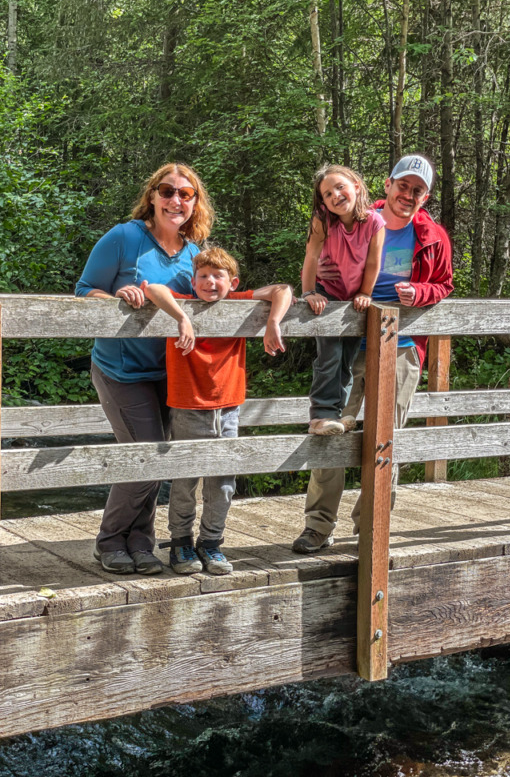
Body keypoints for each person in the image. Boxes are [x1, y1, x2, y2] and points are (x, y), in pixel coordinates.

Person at [293, 154, 454, 554]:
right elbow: (319, 258)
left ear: (426, 196)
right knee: (330, 433)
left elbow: (444, 285)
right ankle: (318, 526)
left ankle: (371, 527)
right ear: (387, 184)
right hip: (351, 341)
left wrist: (420, 293)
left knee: (386, 442)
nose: (408, 194)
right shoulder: (354, 216)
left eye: (417, 190)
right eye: (403, 185)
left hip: (399, 348)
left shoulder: (432, 235)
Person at [75, 163, 214, 575]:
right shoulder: (124, 237)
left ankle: (140, 542)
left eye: (185, 194)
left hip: (170, 373)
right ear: (152, 196)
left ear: (195, 202)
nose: (176, 200)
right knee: (146, 454)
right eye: (168, 191)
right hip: (121, 370)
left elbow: (215, 292)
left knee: (158, 458)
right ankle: (109, 541)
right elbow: (84, 291)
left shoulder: (194, 253)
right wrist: (116, 296)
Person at [143, 247, 294, 575]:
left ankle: (210, 542)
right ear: (193, 281)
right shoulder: (180, 303)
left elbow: (284, 290)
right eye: (203, 276)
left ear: (232, 282)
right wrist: (182, 317)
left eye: (218, 276)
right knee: (185, 481)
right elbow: (151, 288)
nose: (211, 282)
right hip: (187, 407)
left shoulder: (239, 304)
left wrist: (273, 322)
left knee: (223, 482)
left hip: (227, 409)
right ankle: (181, 542)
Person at [302, 165, 386, 435]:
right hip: (327, 295)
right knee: (330, 355)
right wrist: (309, 292)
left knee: (347, 358)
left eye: (340, 187)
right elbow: (312, 257)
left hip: (354, 299)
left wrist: (365, 293)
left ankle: (336, 413)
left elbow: (373, 262)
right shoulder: (323, 221)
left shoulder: (374, 222)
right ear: (323, 202)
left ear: (356, 186)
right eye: (327, 194)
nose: (335, 195)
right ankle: (320, 416)